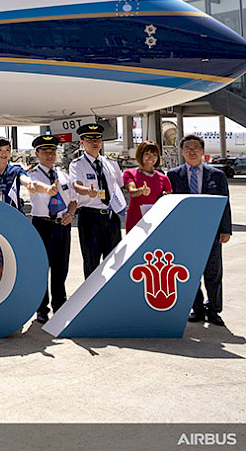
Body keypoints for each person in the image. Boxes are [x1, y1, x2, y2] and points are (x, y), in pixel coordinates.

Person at [167, 133, 232, 326]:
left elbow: (225, 204)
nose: (192, 151)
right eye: (187, 148)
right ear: (182, 152)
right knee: (190, 273)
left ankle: (213, 310)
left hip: (211, 232)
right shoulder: (173, 176)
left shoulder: (217, 175)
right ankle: (196, 308)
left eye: (196, 148)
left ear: (203, 151)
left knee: (213, 273)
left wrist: (226, 229)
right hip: (185, 234)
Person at [0, 137, 51, 289]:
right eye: (0, 151)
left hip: (15, 222)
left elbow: (25, 180)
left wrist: (30, 185)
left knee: (15, 262)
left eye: (7, 150)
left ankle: (14, 292)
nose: (4, 154)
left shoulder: (16, 170)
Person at [27, 134, 77, 323]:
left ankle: (60, 304)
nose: (50, 155)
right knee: (42, 267)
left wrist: (70, 214)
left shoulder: (63, 176)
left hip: (61, 225)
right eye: (45, 152)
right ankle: (41, 309)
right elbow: (34, 188)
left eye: (53, 151)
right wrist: (46, 189)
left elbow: (73, 200)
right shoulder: (32, 175)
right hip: (42, 225)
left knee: (61, 267)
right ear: (37, 153)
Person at [70, 123, 126, 278]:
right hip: (90, 218)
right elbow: (76, 185)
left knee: (114, 261)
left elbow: (119, 187)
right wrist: (88, 191)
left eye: (98, 139)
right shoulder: (77, 164)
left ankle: (111, 298)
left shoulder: (111, 163)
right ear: (82, 142)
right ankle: (91, 300)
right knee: (91, 262)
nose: (95, 143)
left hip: (110, 217)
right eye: (89, 140)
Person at [123, 140, 172, 233]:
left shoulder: (163, 178)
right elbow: (132, 191)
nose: (151, 158)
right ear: (140, 155)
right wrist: (141, 191)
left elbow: (169, 198)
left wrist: (165, 197)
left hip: (156, 222)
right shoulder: (130, 173)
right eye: (147, 154)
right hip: (136, 220)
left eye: (154, 155)